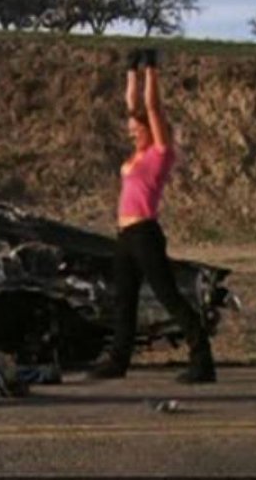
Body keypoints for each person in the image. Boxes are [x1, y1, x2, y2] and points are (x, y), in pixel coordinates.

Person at [87, 48, 216, 384]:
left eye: (135, 128)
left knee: (168, 296)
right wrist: (131, 70)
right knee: (124, 301)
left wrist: (152, 70)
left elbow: (151, 108)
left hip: (145, 233)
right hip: (125, 236)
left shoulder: (160, 153)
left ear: (150, 130)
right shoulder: (134, 155)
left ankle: (203, 362)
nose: (130, 130)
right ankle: (118, 362)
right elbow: (134, 108)